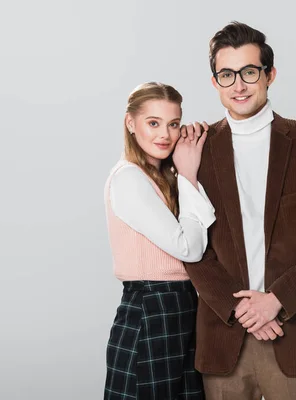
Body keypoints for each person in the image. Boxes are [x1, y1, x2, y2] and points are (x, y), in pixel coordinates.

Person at [183, 22, 296, 399]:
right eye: (227, 74)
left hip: (292, 332)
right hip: (225, 336)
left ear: (269, 75)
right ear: (215, 83)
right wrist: (241, 309)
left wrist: (274, 302)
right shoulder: (196, 149)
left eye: (249, 72)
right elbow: (190, 245)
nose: (238, 85)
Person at [103, 82, 212, 399]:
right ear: (130, 123)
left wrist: (184, 175)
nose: (165, 134)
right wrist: (190, 176)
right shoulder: (129, 178)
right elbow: (189, 249)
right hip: (152, 309)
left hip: (179, 309)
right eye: (153, 123)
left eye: (173, 124)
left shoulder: (162, 176)